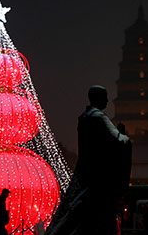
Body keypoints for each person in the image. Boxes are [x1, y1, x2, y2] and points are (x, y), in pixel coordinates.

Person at [45, 85, 132, 235]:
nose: (107, 100)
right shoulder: (99, 117)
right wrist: (123, 134)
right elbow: (118, 140)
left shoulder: (84, 117)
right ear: (97, 97)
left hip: (85, 168)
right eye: (104, 97)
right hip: (98, 173)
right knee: (95, 213)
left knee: (75, 209)